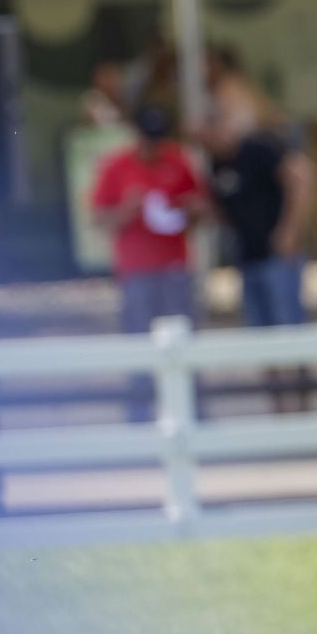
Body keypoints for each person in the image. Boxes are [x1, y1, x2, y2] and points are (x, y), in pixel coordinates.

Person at [89, 106, 206, 418]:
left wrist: (190, 210)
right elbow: (99, 217)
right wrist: (127, 210)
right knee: (138, 341)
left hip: (174, 266)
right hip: (136, 270)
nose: (155, 148)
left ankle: (192, 410)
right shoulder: (117, 166)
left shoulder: (178, 160)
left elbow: (199, 207)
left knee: (185, 338)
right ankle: (139, 411)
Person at [198, 106, 317, 330]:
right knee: (258, 327)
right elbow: (227, 209)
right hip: (248, 254)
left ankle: (293, 365)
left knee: (287, 322)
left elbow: (303, 178)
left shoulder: (257, 149)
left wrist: (290, 230)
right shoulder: (217, 164)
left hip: (277, 252)